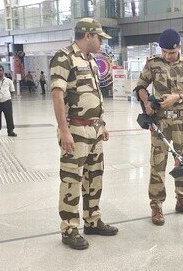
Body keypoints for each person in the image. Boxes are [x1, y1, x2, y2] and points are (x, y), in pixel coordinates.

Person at [50, 17, 117, 250]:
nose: (102, 42)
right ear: (88, 35)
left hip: (95, 130)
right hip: (76, 131)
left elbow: (93, 94)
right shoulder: (64, 57)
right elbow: (57, 95)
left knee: (94, 178)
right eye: (100, 38)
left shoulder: (90, 60)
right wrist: (64, 129)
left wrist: (102, 124)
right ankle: (69, 228)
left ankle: (92, 220)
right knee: (72, 180)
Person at [135, 28, 183, 226]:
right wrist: (146, 103)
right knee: (158, 162)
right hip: (160, 122)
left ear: (179, 47)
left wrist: (177, 97)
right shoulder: (153, 63)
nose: (167, 56)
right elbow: (140, 87)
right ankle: (156, 205)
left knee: (182, 161)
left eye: (171, 52)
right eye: (164, 51)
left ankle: (182, 199)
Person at [0, 65, 17, 138]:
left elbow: (12, 91)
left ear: (3, 71)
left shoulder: (9, 81)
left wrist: (8, 98)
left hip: (7, 102)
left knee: (9, 116)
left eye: (0, 70)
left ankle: (10, 131)